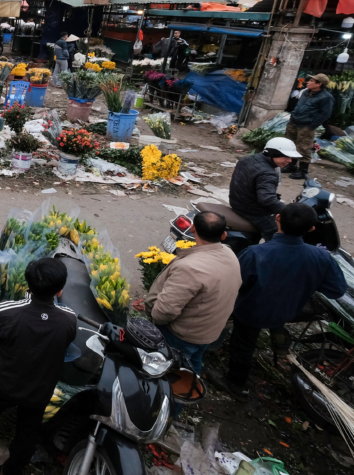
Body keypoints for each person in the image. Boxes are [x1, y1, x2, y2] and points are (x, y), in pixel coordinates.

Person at [208, 204, 347, 402]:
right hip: (289, 311)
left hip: (251, 312)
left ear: (278, 218)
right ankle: (279, 340)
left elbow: (233, 284)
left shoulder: (255, 253)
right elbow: (336, 290)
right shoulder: (321, 257)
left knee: (243, 346)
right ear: (311, 229)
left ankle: (235, 383)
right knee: (272, 320)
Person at [0, 258, 76, 475]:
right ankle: (13, 468)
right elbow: (66, 342)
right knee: (28, 430)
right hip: (40, 388)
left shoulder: (10, 311)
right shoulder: (69, 319)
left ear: (28, 284)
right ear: (60, 290)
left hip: (2, 381)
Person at [142, 211, 241, 374]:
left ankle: (176, 397)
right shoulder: (230, 254)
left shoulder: (190, 268)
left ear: (193, 229)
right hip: (210, 331)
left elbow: (163, 312)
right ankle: (192, 384)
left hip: (182, 336)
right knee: (193, 365)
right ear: (224, 235)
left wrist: (153, 311)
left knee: (172, 373)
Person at [229, 136, 299, 241]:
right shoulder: (267, 173)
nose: (289, 160)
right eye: (286, 157)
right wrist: (290, 211)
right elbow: (267, 199)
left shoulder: (247, 159)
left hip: (237, 203)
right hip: (253, 212)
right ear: (273, 154)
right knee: (283, 237)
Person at [283, 74, 334, 180]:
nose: (308, 82)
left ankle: (303, 171)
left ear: (319, 84)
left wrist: (311, 126)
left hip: (306, 125)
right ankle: (291, 166)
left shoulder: (326, 97)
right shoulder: (306, 92)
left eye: (311, 81)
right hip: (293, 122)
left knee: (304, 147)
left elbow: (325, 114)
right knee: (290, 145)